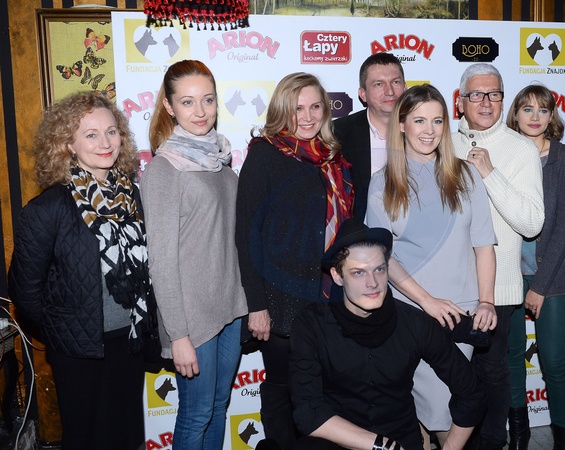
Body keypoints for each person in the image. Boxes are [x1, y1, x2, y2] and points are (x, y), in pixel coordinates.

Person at [8, 91, 154, 449]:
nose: (105, 143)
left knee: (128, 436)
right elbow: (24, 290)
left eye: (111, 132)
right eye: (91, 134)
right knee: (88, 438)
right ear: (68, 144)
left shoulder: (132, 196)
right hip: (78, 351)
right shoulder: (48, 208)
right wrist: (64, 329)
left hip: (129, 341)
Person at [365, 83, 496, 447]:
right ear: (401, 124)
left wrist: (487, 301)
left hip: (459, 310)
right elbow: (382, 257)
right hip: (408, 310)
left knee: (444, 405)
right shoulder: (383, 183)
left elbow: (484, 245)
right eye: (419, 120)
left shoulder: (467, 175)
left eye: (437, 121)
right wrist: (426, 301)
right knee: (414, 408)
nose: (429, 130)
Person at [289, 218, 487, 450]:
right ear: (337, 276)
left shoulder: (414, 323)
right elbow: (308, 412)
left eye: (379, 270)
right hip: (340, 442)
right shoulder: (312, 325)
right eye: (358, 273)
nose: (372, 282)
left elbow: (471, 393)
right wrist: (381, 446)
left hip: (403, 441)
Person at [236, 72, 354, 449]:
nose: (307, 117)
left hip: (328, 297)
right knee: (283, 388)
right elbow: (247, 235)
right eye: (297, 108)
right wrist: (257, 305)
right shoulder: (265, 154)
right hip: (280, 298)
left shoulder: (333, 159)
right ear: (281, 110)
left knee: (324, 389)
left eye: (315, 107)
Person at [140, 59, 248, 450]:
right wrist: (179, 336)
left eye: (208, 100)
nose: (200, 111)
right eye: (187, 102)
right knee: (196, 414)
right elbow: (161, 262)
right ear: (169, 107)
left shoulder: (221, 162)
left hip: (231, 308)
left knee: (218, 407)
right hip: (192, 318)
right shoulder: (164, 170)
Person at [451, 63, 545, 450]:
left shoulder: (521, 149)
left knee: (492, 373)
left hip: (500, 289)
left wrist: (490, 173)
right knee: (450, 373)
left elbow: (531, 223)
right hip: (448, 284)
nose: (486, 102)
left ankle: (491, 443)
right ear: (460, 102)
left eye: (494, 94)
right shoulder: (442, 142)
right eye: (476, 94)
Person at [505, 84, 565, 450]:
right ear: (515, 114)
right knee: (511, 356)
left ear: (552, 115)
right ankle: (519, 436)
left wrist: (539, 286)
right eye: (527, 109)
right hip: (506, 271)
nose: (535, 117)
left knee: (553, 360)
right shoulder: (502, 153)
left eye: (543, 109)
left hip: (552, 273)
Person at [334, 52, 406, 219]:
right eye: (379, 84)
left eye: (395, 82)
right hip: (358, 231)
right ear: (363, 94)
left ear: (405, 88)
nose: (390, 91)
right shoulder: (338, 134)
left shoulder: (422, 132)